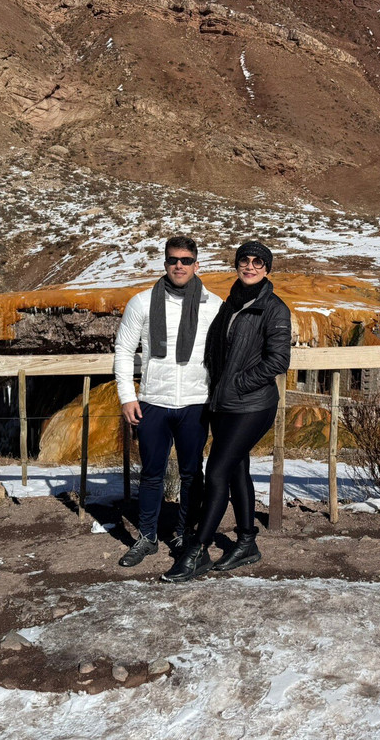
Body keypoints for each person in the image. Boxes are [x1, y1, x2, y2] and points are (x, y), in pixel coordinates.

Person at [161, 240, 292, 583]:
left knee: (216, 471)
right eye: (244, 261)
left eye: (258, 262)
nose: (250, 267)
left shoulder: (274, 308)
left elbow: (278, 361)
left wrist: (236, 383)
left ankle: (198, 551)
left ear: (267, 269)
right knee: (236, 469)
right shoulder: (230, 303)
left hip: (253, 404)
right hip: (224, 403)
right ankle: (247, 542)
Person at [113, 236, 223, 567]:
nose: (179, 265)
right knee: (151, 473)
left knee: (192, 472)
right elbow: (123, 350)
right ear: (165, 263)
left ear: (196, 264)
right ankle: (147, 537)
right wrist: (127, 396)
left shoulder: (212, 305)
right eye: (173, 259)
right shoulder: (142, 303)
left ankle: (183, 533)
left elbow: (223, 353)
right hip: (153, 401)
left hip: (194, 402)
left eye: (186, 260)